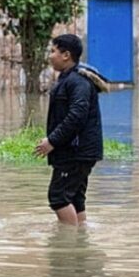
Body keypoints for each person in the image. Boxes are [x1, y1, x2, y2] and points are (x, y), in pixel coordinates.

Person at [35, 34, 104, 226]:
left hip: (76, 152)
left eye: (53, 51)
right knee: (75, 198)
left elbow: (76, 117)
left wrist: (52, 141)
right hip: (78, 151)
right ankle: (80, 242)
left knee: (58, 197)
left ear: (66, 55)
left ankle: (69, 248)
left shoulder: (77, 82)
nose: (50, 56)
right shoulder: (69, 80)